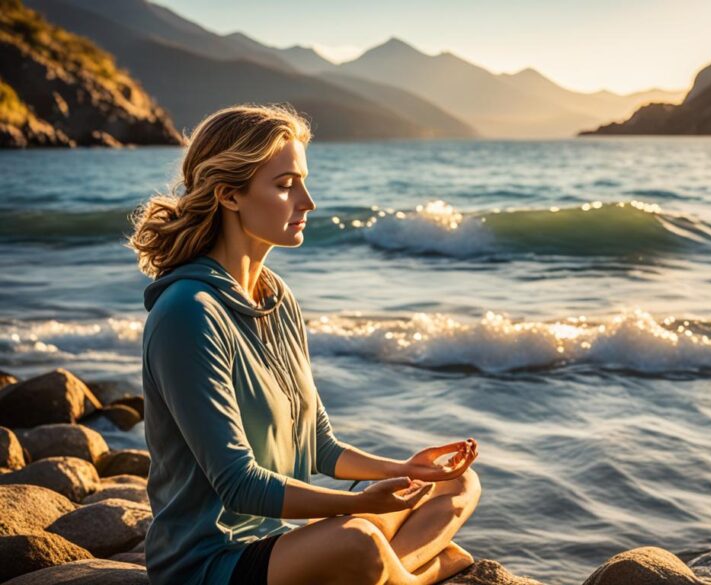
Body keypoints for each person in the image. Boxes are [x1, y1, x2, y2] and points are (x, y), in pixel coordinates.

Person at [128, 103, 481, 585]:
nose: (308, 202)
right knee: (357, 538)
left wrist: (403, 468)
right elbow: (238, 485)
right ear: (230, 195)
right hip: (210, 565)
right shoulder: (188, 313)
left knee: (455, 484)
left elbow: (319, 446)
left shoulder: (276, 298)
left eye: (303, 181)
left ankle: (392, 570)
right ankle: (416, 574)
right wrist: (358, 504)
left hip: (279, 546)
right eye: (284, 185)